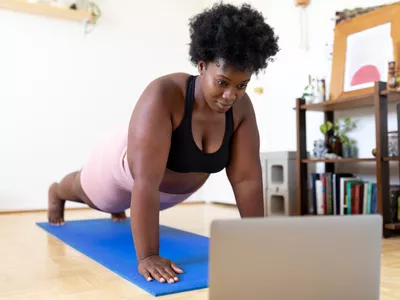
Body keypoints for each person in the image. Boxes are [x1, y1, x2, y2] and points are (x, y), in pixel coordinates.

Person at [47, 2, 279, 285]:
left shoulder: (241, 110)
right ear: (201, 66)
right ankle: (57, 192)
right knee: (90, 196)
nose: (231, 95)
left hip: (166, 193)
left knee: (119, 205)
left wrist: (259, 244)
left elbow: (247, 181)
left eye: (241, 85)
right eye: (222, 82)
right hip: (122, 173)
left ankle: (115, 207)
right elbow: (144, 182)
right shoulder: (164, 94)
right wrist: (147, 256)